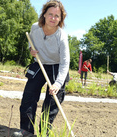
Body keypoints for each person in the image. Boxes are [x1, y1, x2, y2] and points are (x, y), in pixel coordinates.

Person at [13, 0, 69, 136]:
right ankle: (26, 131)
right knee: (28, 97)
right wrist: (31, 49)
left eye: (57, 16)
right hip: (40, 63)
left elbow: (65, 62)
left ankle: (44, 133)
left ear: (61, 18)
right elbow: (31, 42)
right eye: (50, 14)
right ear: (44, 14)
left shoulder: (61, 36)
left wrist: (58, 84)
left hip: (57, 67)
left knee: (51, 104)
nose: (53, 18)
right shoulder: (35, 27)